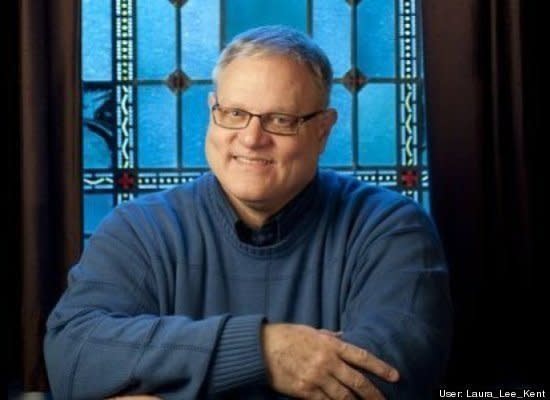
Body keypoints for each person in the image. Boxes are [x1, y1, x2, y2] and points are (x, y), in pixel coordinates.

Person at [44, 25, 452, 399]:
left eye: (280, 119)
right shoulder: (139, 229)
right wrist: (262, 350)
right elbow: (71, 357)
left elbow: (381, 382)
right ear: (212, 112)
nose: (251, 139)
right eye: (235, 113)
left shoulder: (392, 230)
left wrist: (161, 380)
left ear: (324, 130)